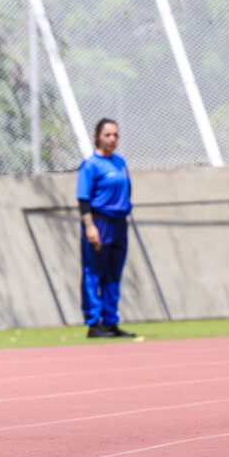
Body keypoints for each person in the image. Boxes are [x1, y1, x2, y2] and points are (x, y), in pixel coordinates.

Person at [77, 118, 135, 338]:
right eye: (107, 135)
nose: (112, 139)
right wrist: (90, 226)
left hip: (119, 224)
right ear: (98, 137)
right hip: (99, 223)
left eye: (116, 135)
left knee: (114, 273)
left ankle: (111, 321)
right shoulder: (91, 165)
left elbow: (127, 191)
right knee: (94, 272)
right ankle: (94, 323)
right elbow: (83, 198)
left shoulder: (120, 163)